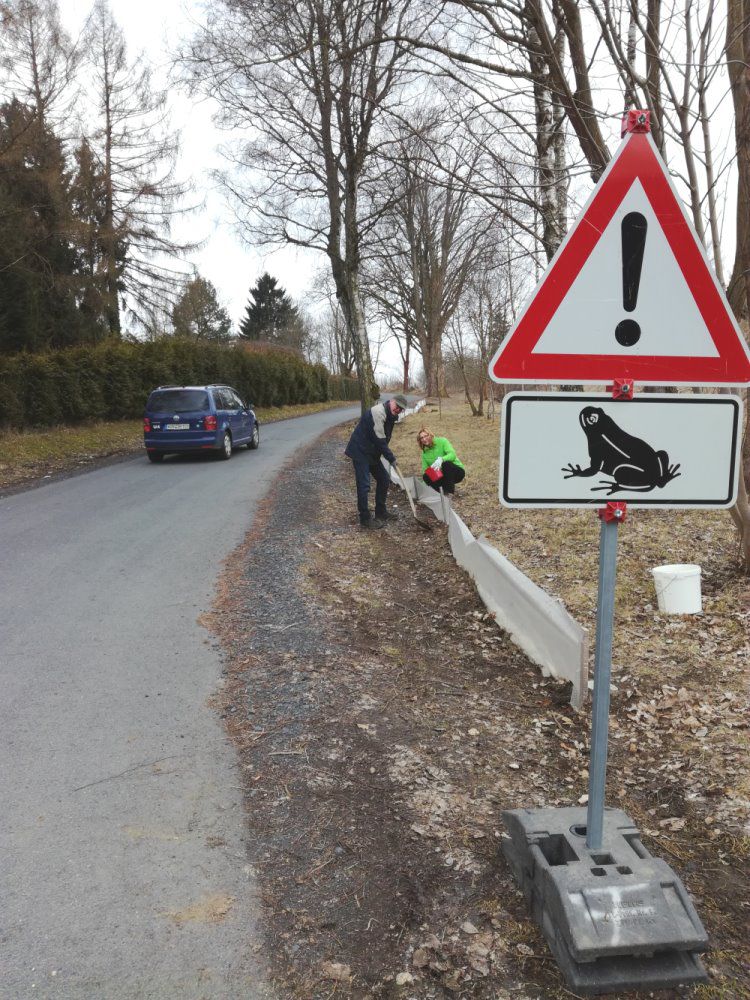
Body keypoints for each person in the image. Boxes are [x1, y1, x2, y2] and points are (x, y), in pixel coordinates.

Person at [345, 395, 408, 528]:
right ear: (391, 402)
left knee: (384, 479)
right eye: (397, 406)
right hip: (360, 451)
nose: (398, 410)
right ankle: (365, 519)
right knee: (364, 485)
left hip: (372, 452)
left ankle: (381, 512)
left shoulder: (391, 415)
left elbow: (384, 438)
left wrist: (387, 456)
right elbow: (380, 439)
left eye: (401, 409)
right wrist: (391, 458)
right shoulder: (378, 412)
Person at [417, 427, 465, 494]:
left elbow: (453, 455)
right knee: (426, 476)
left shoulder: (442, 441)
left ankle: (449, 493)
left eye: (426, 436)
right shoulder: (424, 453)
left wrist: (442, 459)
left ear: (430, 435)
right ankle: (440, 494)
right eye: (421, 438)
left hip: (456, 472)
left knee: (446, 464)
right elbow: (425, 470)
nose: (424, 439)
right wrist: (423, 486)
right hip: (441, 475)